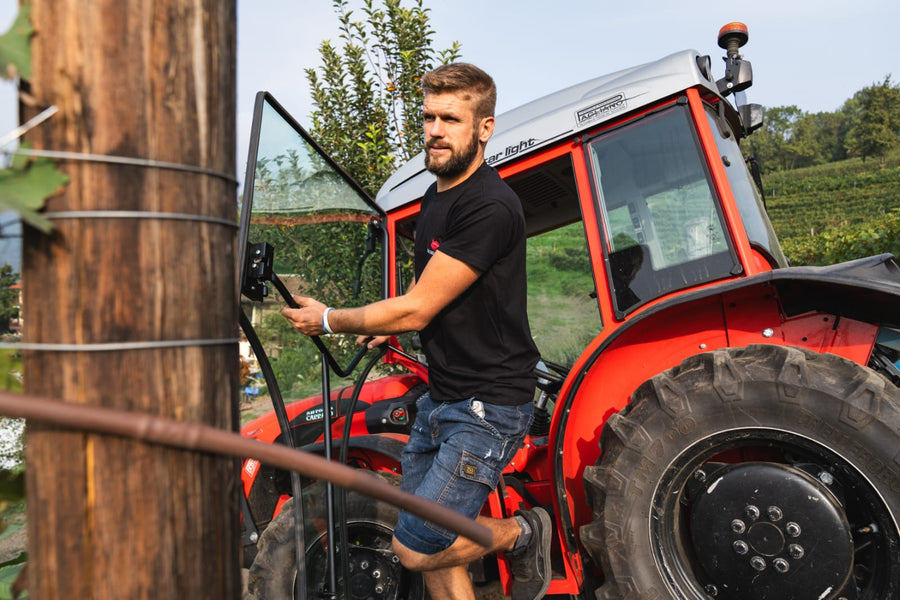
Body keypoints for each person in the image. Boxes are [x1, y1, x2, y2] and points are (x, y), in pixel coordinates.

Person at [280, 62, 551, 600]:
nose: (435, 129)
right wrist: (392, 329)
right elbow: (434, 293)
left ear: (484, 128)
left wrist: (330, 319)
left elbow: (419, 308)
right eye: (428, 116)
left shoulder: (489, 206)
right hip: (442, 398)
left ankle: (526, 533)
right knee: (430, 548)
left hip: (487, 407)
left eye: (450, 118)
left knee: (417, 547)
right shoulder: (435, 199)